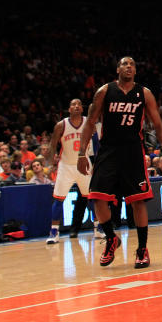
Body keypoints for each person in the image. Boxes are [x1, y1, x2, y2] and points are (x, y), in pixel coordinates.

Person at [78, 57, 162, 269]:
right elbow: (90, 122)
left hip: (133, 152)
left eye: (132, 65)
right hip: (108, 150)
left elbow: (158, 124)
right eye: (124, 64)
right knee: (97, 198)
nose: (128, 67)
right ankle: (111, 238)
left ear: (136, 71)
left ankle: (142, 249)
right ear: (118, 69)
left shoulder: (144, 93)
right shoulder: (104, 91)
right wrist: (82, 154)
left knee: (138, 201)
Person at [47, 99, 97, 244]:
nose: (76, 106)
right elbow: (52, 146)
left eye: (79, 104)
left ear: (82, 108)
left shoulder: (89, 123)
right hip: (66, 166)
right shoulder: (61, 125)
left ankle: (98, 228)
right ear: (69, 109)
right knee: (58, 199)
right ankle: (54, 231)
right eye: (73, 105)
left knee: (93, 197)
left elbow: (96, 142)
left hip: (85, 163)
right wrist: (50, 164)